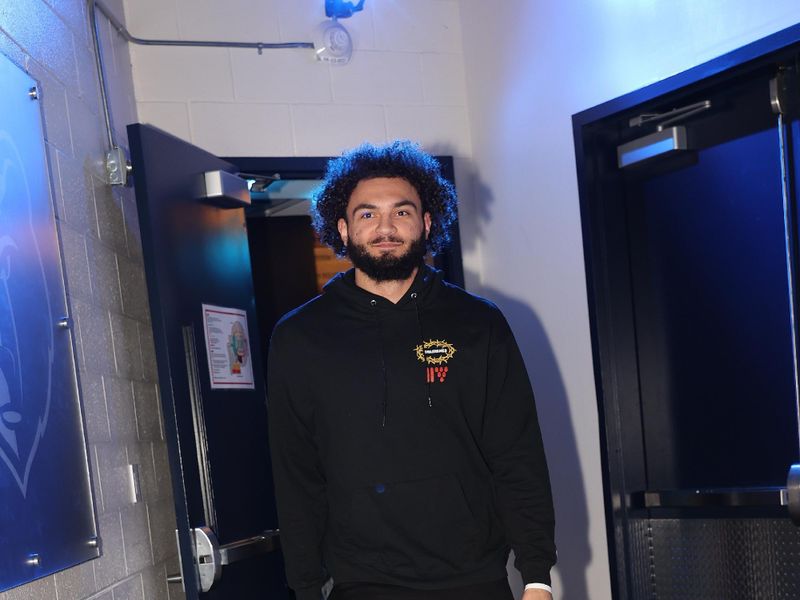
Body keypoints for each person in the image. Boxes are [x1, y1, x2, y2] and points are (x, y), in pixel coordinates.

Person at [267, 140, 556, 600]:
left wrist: (537, 575)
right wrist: (304, 587)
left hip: (474, 577)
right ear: (342, 229)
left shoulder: (479, 323)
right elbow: (296, 473)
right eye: (367, 214)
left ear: (426, 222)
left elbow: (517, 454)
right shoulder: (300, 337)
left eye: (401, 212)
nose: (385, 226)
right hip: (362, 581)